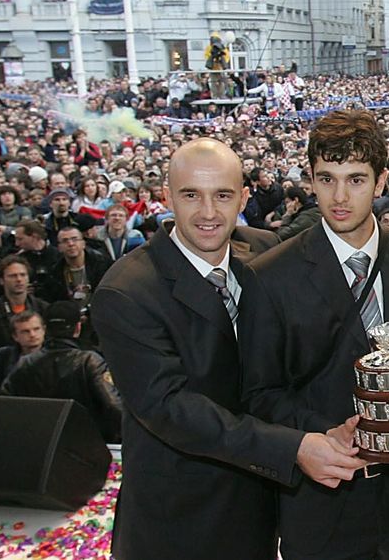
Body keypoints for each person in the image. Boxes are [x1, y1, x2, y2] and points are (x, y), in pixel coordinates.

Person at [91, 137, 363, 560]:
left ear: (244, 197)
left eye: (222, 195)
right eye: (191, 195)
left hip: (259, 508)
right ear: (167, 197)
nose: (208, 212)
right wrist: (292, 447)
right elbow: (170, 408)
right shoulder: (126, 291)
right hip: (179, 518)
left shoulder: (263, 250)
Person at [239, 109, 389, 560]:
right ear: (311, 180)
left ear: (380, 183)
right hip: (323, 508)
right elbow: (260, 394)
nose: (339, 197)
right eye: (327, 179)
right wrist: (321, 435)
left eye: (356, 180)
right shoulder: (271, 276)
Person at [0, 301, 122, 443]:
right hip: (88, 443)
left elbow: (4, 404)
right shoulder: (89, 361)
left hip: (42, 442)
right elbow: (113, 405)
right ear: (78, 327)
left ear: (45, 329)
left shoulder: (26, 363)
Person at [44, 226, 112, 306]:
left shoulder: (102, 264)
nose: (71, 244)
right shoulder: (55, 272)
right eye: (65, 241)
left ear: (83, 243)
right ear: (59, 247)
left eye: (74, 239)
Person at [0, 255, 49, 351]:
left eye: (23, 275)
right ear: (1, 280)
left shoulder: (44, 308)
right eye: (13, 276)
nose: (19, 279)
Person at [0, 310, 44, 391]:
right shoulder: (0, 356)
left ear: (44, 330)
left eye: (36, 329)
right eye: (25, 331)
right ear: (15, 336)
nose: (32, 335)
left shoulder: (57, 356)